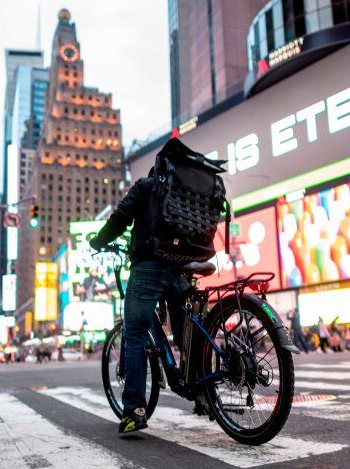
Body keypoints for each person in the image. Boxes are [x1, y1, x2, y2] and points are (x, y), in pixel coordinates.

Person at [89, 139, 196, 433]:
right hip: (183, 266)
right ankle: (203, 392)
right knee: (188, 334)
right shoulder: (188, 192)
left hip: (148, 266)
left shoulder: (146, 187)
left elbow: (120, 219)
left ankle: (134, 410)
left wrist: (98, 240)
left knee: (134, 333)